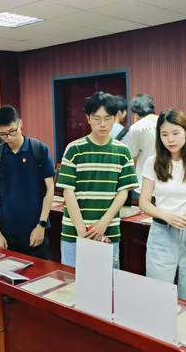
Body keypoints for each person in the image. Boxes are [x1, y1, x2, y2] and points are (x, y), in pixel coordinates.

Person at [139, 109, 186, 304]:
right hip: (162, 234)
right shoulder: (153, 162)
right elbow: (144, 202)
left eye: (175, 133)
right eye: (164, 134)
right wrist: (166, 215)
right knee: (158, 299)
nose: (170, 139)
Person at [57, 92, 139, 268]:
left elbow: (123, 192)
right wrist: (80, 229)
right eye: (97, 118)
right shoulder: (74, 149)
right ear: (88, 118)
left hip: (108, 232)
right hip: (74, 233)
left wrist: (103, 224)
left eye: (107, 118)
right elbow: (68, 191)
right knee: (72, 282)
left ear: (115, 118)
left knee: (107, 282)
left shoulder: (123, 151)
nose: (102, 124)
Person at [0, 106, 55, 258]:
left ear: (20, 123)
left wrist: (41, 225)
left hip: (35, 229)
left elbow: (49, 189)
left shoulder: (39, 149)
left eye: (12, 131)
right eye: (3, 134)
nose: (9, 137)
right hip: (7, 232)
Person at [123, 94, 158, 197]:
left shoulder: (136, 128)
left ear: (135, 112)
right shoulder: (165, 121)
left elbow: (132, 155)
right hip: (167, 179)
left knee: (146, 206)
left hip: (145, 179)